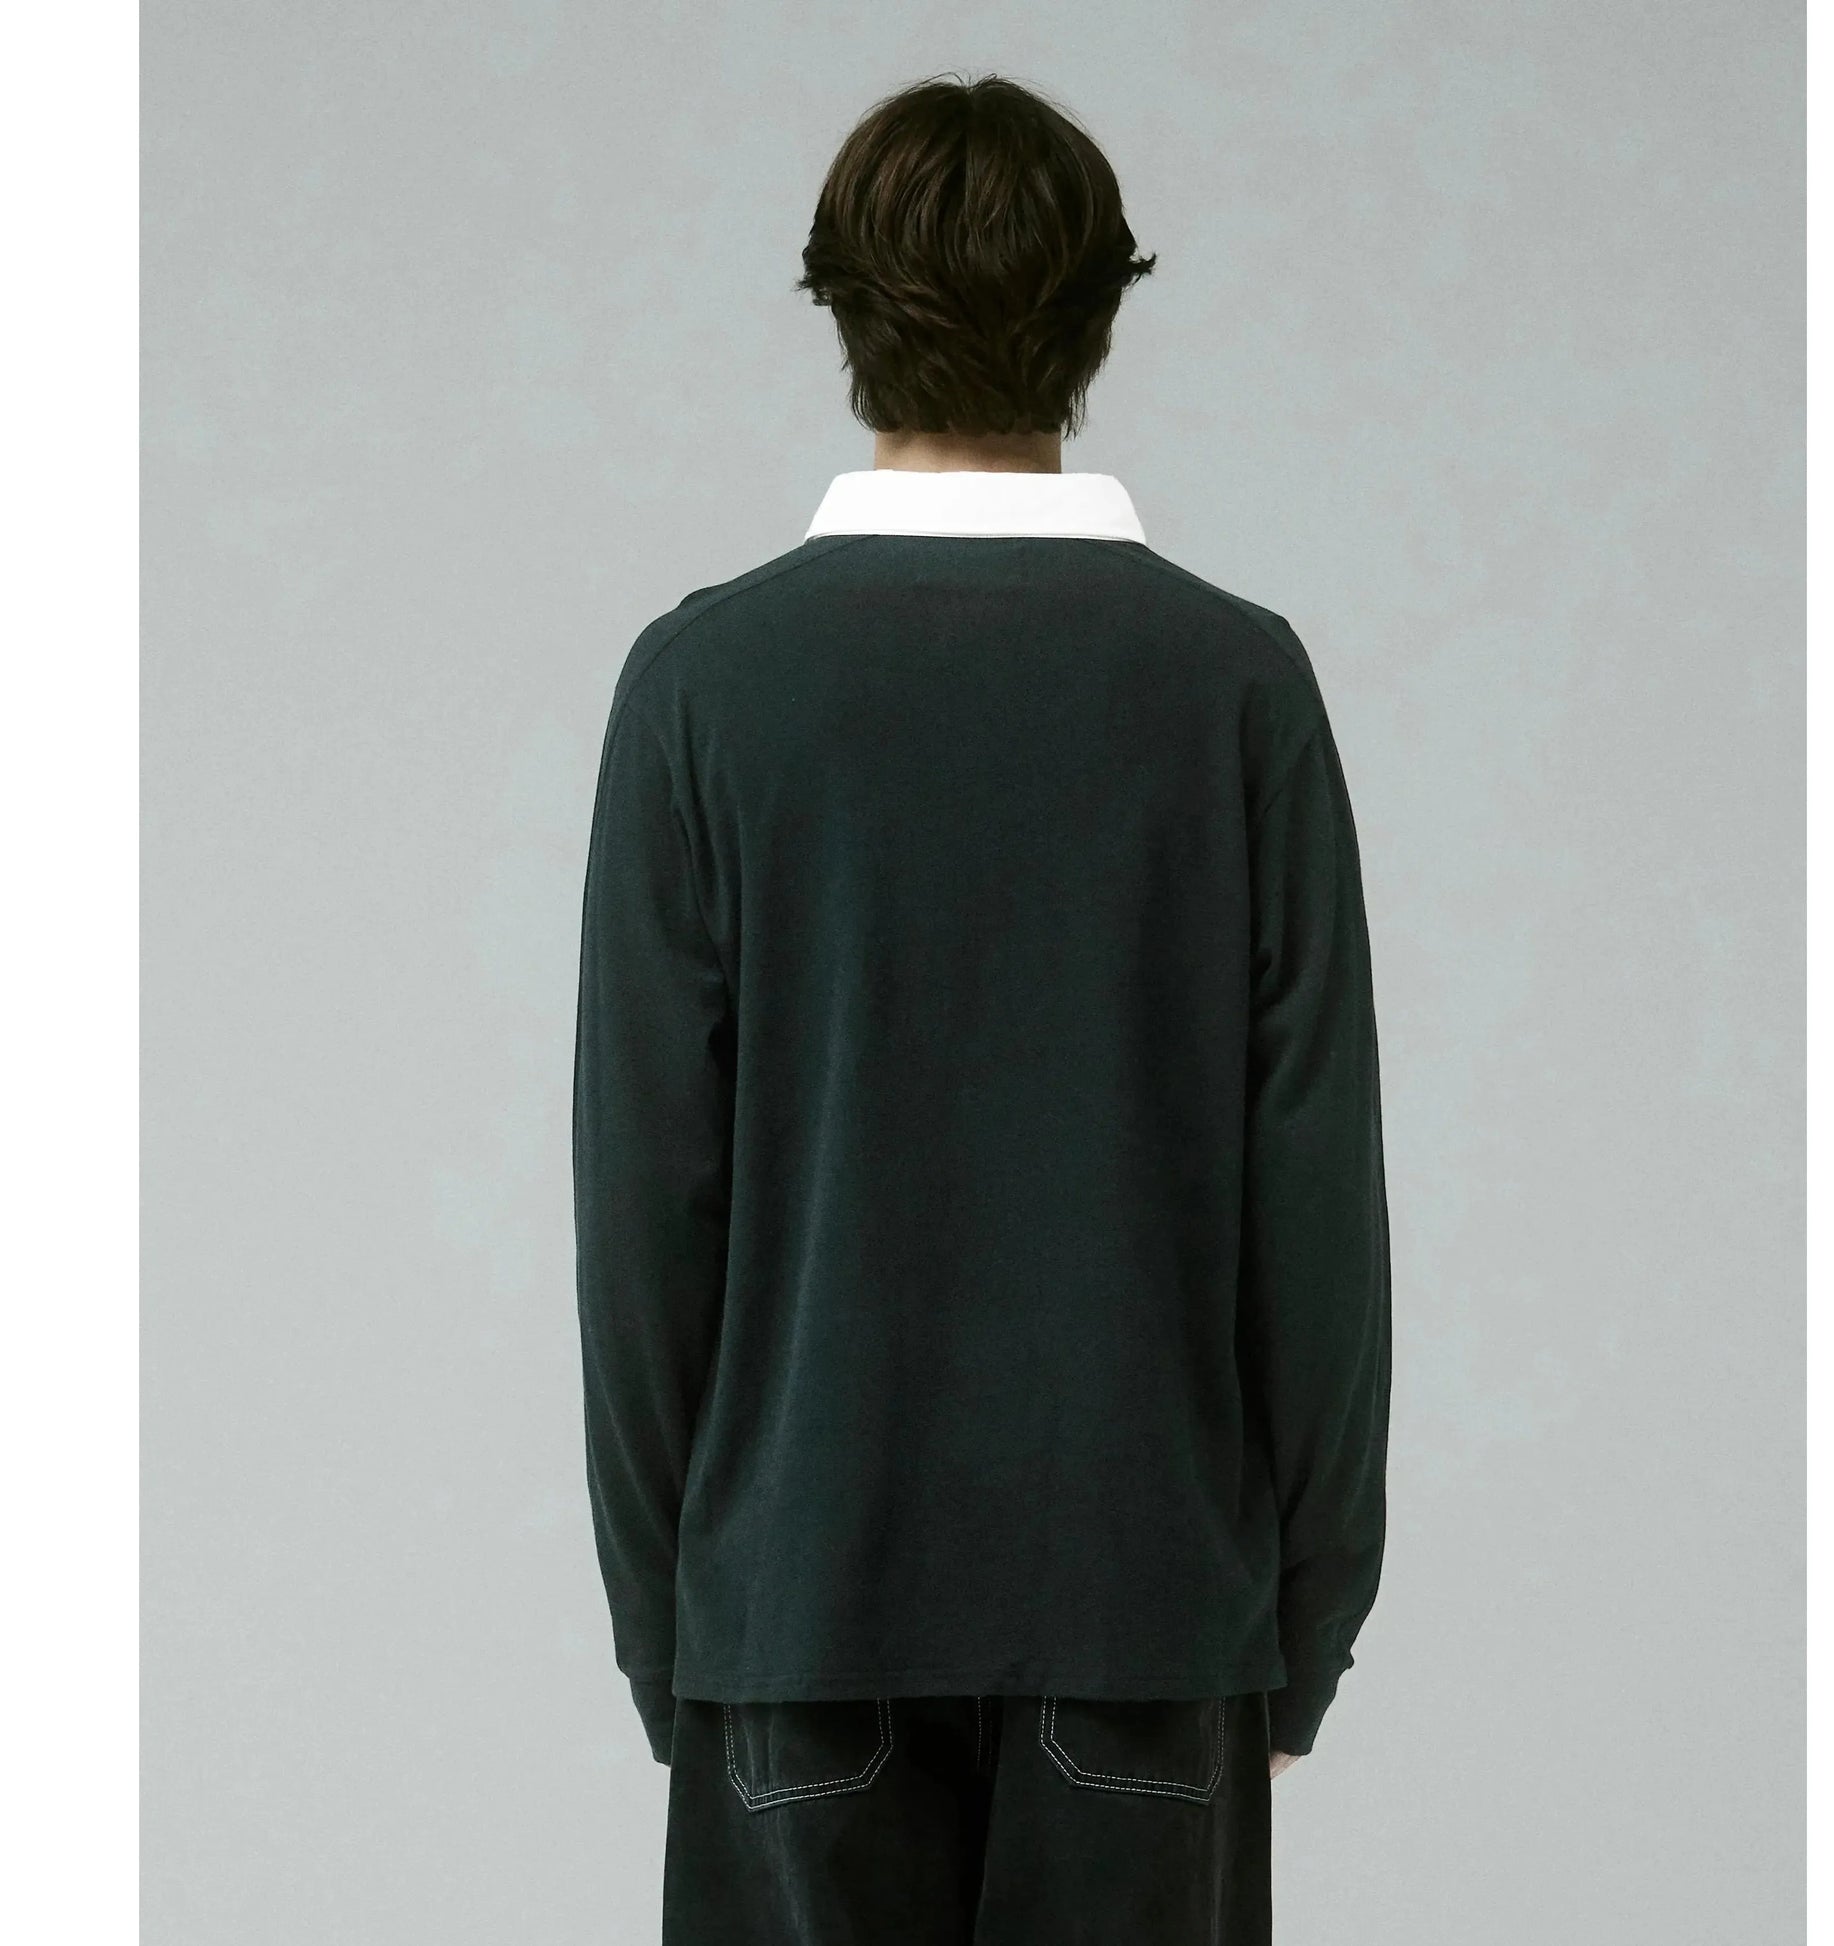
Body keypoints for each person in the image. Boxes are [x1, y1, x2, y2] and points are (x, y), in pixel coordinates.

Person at [572, 69, 1391, 1945]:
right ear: (1100, 317)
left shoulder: (707, 686)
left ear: (838, 311)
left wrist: (673, 1630)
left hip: (796, 1609)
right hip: (1148, 1605)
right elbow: (1317, 1201)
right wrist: (1302, 1621)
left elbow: (645, 1212)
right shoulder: (1232, 686)